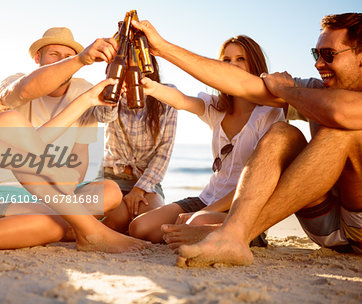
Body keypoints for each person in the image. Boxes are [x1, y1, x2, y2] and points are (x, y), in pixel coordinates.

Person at [0, 0, 149, 255]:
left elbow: (25, 141)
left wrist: (88, 100)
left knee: (54, 224)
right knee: (11, 120)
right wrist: (48, 167)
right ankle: (91, 231)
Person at [132, 13, 362, 266]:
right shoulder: (315, 90)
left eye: (329, 54)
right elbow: (237, 83)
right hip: (324, 222)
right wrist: (162, 48)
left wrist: (284, 89)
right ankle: (234, 234)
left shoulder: (284, 103)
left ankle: (234, 231)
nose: (318, 64)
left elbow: (342, 112)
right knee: (284, 134)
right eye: (315, 54)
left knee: (338, 131)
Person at [128, 36, 284, 244]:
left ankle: (245, 234)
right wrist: (152, 88)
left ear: (255, 65)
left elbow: (259, 181)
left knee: (197, 223)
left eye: (240, 59)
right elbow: (182, 101)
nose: (233, 66)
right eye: (226, 61)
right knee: (139, 227)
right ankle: (200, 228)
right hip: (206, 199)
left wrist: (203, 214)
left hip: (241, 205)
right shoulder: (216, 107)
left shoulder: (270, 113)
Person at [0, 27, 123, 233]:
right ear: (38, 58)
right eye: (54, 55)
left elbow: (80, 156)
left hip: (58, 194)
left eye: (68, 56)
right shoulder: (14, 82)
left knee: (111, 192)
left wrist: (66, 189)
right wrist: (79, 59)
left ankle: (45, 225)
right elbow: (24, 90)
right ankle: (67, 227)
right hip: (8, 189)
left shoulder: (83, 90)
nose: (62, 61)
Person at [95, 56, 177, 233]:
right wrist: (114, 92)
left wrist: (139, 189)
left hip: (147, 182)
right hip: (112, 177)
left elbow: (164, 153)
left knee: (151, 230)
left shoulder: (166, 95)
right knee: (117, 220)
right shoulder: (108, 92)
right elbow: (103, 117)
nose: (132, 70)